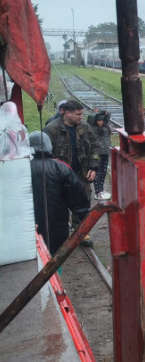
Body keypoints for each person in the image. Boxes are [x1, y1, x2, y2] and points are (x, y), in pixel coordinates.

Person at [44, 100, 99, 247]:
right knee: (59, 205)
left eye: (81, 114)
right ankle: (60, 237)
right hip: (60, 176)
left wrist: (93, 168)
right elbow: (45, 153)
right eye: (78, 114)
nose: (81, 117)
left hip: (82, 173)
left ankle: (81, 233)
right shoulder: (51, 129)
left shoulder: (85, 128)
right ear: (67, 113)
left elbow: (95, 147)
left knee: (83, 203)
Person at [29, 131, 90, 255]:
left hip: (29, 224)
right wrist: (85, 218)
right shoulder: (61, 168)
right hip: (57, 224)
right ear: (49, 146)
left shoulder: (23, 167)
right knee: (56, 257)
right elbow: (77, 197)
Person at [93, 113, 112, 200]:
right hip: (99, 152)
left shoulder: (106, 126)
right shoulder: (95, 129)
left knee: (103, 172)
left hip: (106, 152)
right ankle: (97, 191)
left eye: (101, 121)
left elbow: (108, 115)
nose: (100, 123)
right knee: (98, 172)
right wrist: (99, 113)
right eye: (98, 121)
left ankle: (101, 189)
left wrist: (103, 112)